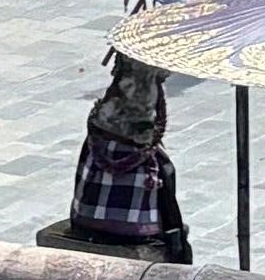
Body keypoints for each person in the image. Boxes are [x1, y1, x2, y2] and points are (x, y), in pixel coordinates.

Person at [47, 50, 192, 264]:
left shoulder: (97, 135)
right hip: (131, 231)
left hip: (84, 221)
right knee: (168, 186)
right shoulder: (145, 148)